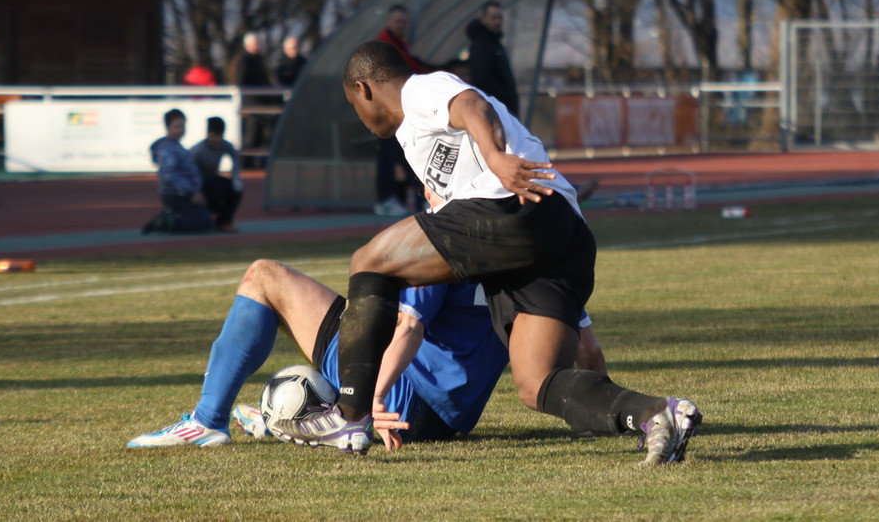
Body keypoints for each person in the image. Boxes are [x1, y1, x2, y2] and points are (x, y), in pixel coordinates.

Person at [281, 41, 701, 465]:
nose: (360, 117)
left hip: (513, 208)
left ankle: (351, 417)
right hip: (559, 235)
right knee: (535, 384)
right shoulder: (414, 138)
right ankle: (655, 413)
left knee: (367, 262)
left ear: (364, 89)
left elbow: (470, 105)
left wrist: (497, 157)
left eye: (353, 105)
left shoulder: (420, 89)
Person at [126, 253, 604, 449]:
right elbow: (589, 350)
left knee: (264, 276)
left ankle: (207, 421)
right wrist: (592, 418)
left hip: (395, 398)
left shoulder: (451, 242)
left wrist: (369, 401)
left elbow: (409, 329)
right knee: (349, 315)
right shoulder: (544, 257)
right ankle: (302, 418)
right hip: (445, 421)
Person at [373, 5, 427, 217]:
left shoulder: (400, 44)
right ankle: (384, 199)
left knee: (406, 154)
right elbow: (410, 68)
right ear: (388, 22)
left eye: (403, 22)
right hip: (388, 110)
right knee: (389, 155)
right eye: (397, 21)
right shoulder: (385, 45)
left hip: (401, 109)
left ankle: (420, 196)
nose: (401, 25)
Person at [142, 109, 213, 234]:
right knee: (202, 223)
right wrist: (190, 192)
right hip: (175, 195)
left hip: (184, 193)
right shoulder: (167, 149)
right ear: (168, 127)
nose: (181, 130)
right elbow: (170, 174)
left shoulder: (177, 146)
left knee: (206, 220)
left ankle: (172, 218)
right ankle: (167, 221)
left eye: (183, 126)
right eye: (177, 126)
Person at [465, 1, 519, 118]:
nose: (498, 22)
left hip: (504, 109)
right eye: (493, 18)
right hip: (493, 110)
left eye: (500, 18)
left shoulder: (496, 45)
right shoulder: (480, 46)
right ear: (483, 19)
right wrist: (504, 99)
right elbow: (482, 78)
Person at [188, 117, 243, 232]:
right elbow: (188, 171)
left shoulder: (224, 145)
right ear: (208, 134)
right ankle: (208, 216)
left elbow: (235, 155)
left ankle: (224, 221)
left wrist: (235, 176)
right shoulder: (197, 150)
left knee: (235, 190)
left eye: (220, 136)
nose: (217, 141)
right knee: (216, 189)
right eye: (214, 136)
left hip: (213, 179)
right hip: (199, 182)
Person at [232, 32, 274, 166]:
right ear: (247, 45)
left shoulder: (259, 60)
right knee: (252, 134)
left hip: (259, 102)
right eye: (255, 44)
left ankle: (258, 162)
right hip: (251, 104)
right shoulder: (244, 60)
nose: (258, 46)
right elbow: (240, 82)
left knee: (259, 133)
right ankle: (248, 164)